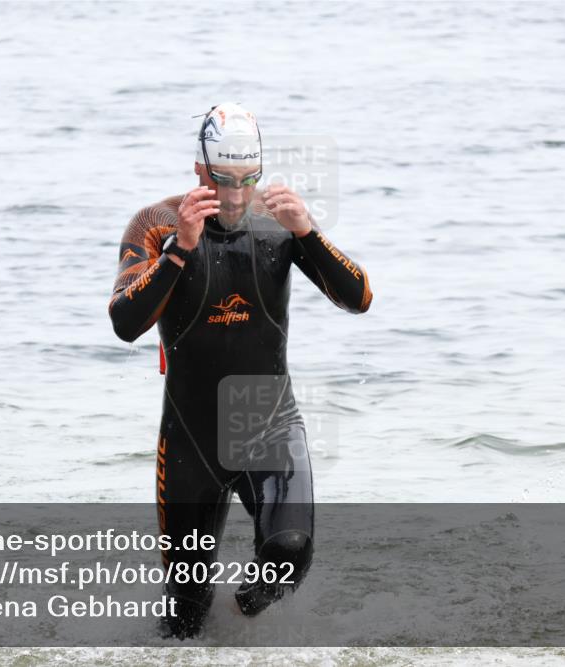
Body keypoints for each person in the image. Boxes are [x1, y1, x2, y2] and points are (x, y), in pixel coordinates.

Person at [108, 102, 372, 639]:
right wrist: (179, 250)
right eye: (223, 180)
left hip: (267, 419)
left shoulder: (278, 224)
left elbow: (359, 297)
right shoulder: (156, 223)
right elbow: (124, 322)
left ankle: (242, 617)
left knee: (288, 556)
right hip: (190, 436)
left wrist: (310, 235)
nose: (234, 197)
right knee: (184, 614)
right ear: (199, 169)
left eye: (247, 180)